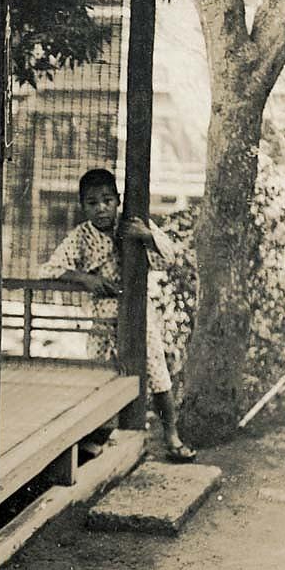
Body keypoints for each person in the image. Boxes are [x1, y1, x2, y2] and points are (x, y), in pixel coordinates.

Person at [38, 167, 195, 462]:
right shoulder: (81, 236)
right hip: (103, 317)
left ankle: (172, 436)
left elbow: (171, 254)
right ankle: (96, 437)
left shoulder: (133, 222)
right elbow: (48, 269)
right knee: (99, 372)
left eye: (107, 200)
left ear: (118, 200)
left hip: (138, 313)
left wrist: (145, 236)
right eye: (92, 203)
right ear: (82, 205)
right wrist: (85, 278)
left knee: (157, 372)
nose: (101, 209)